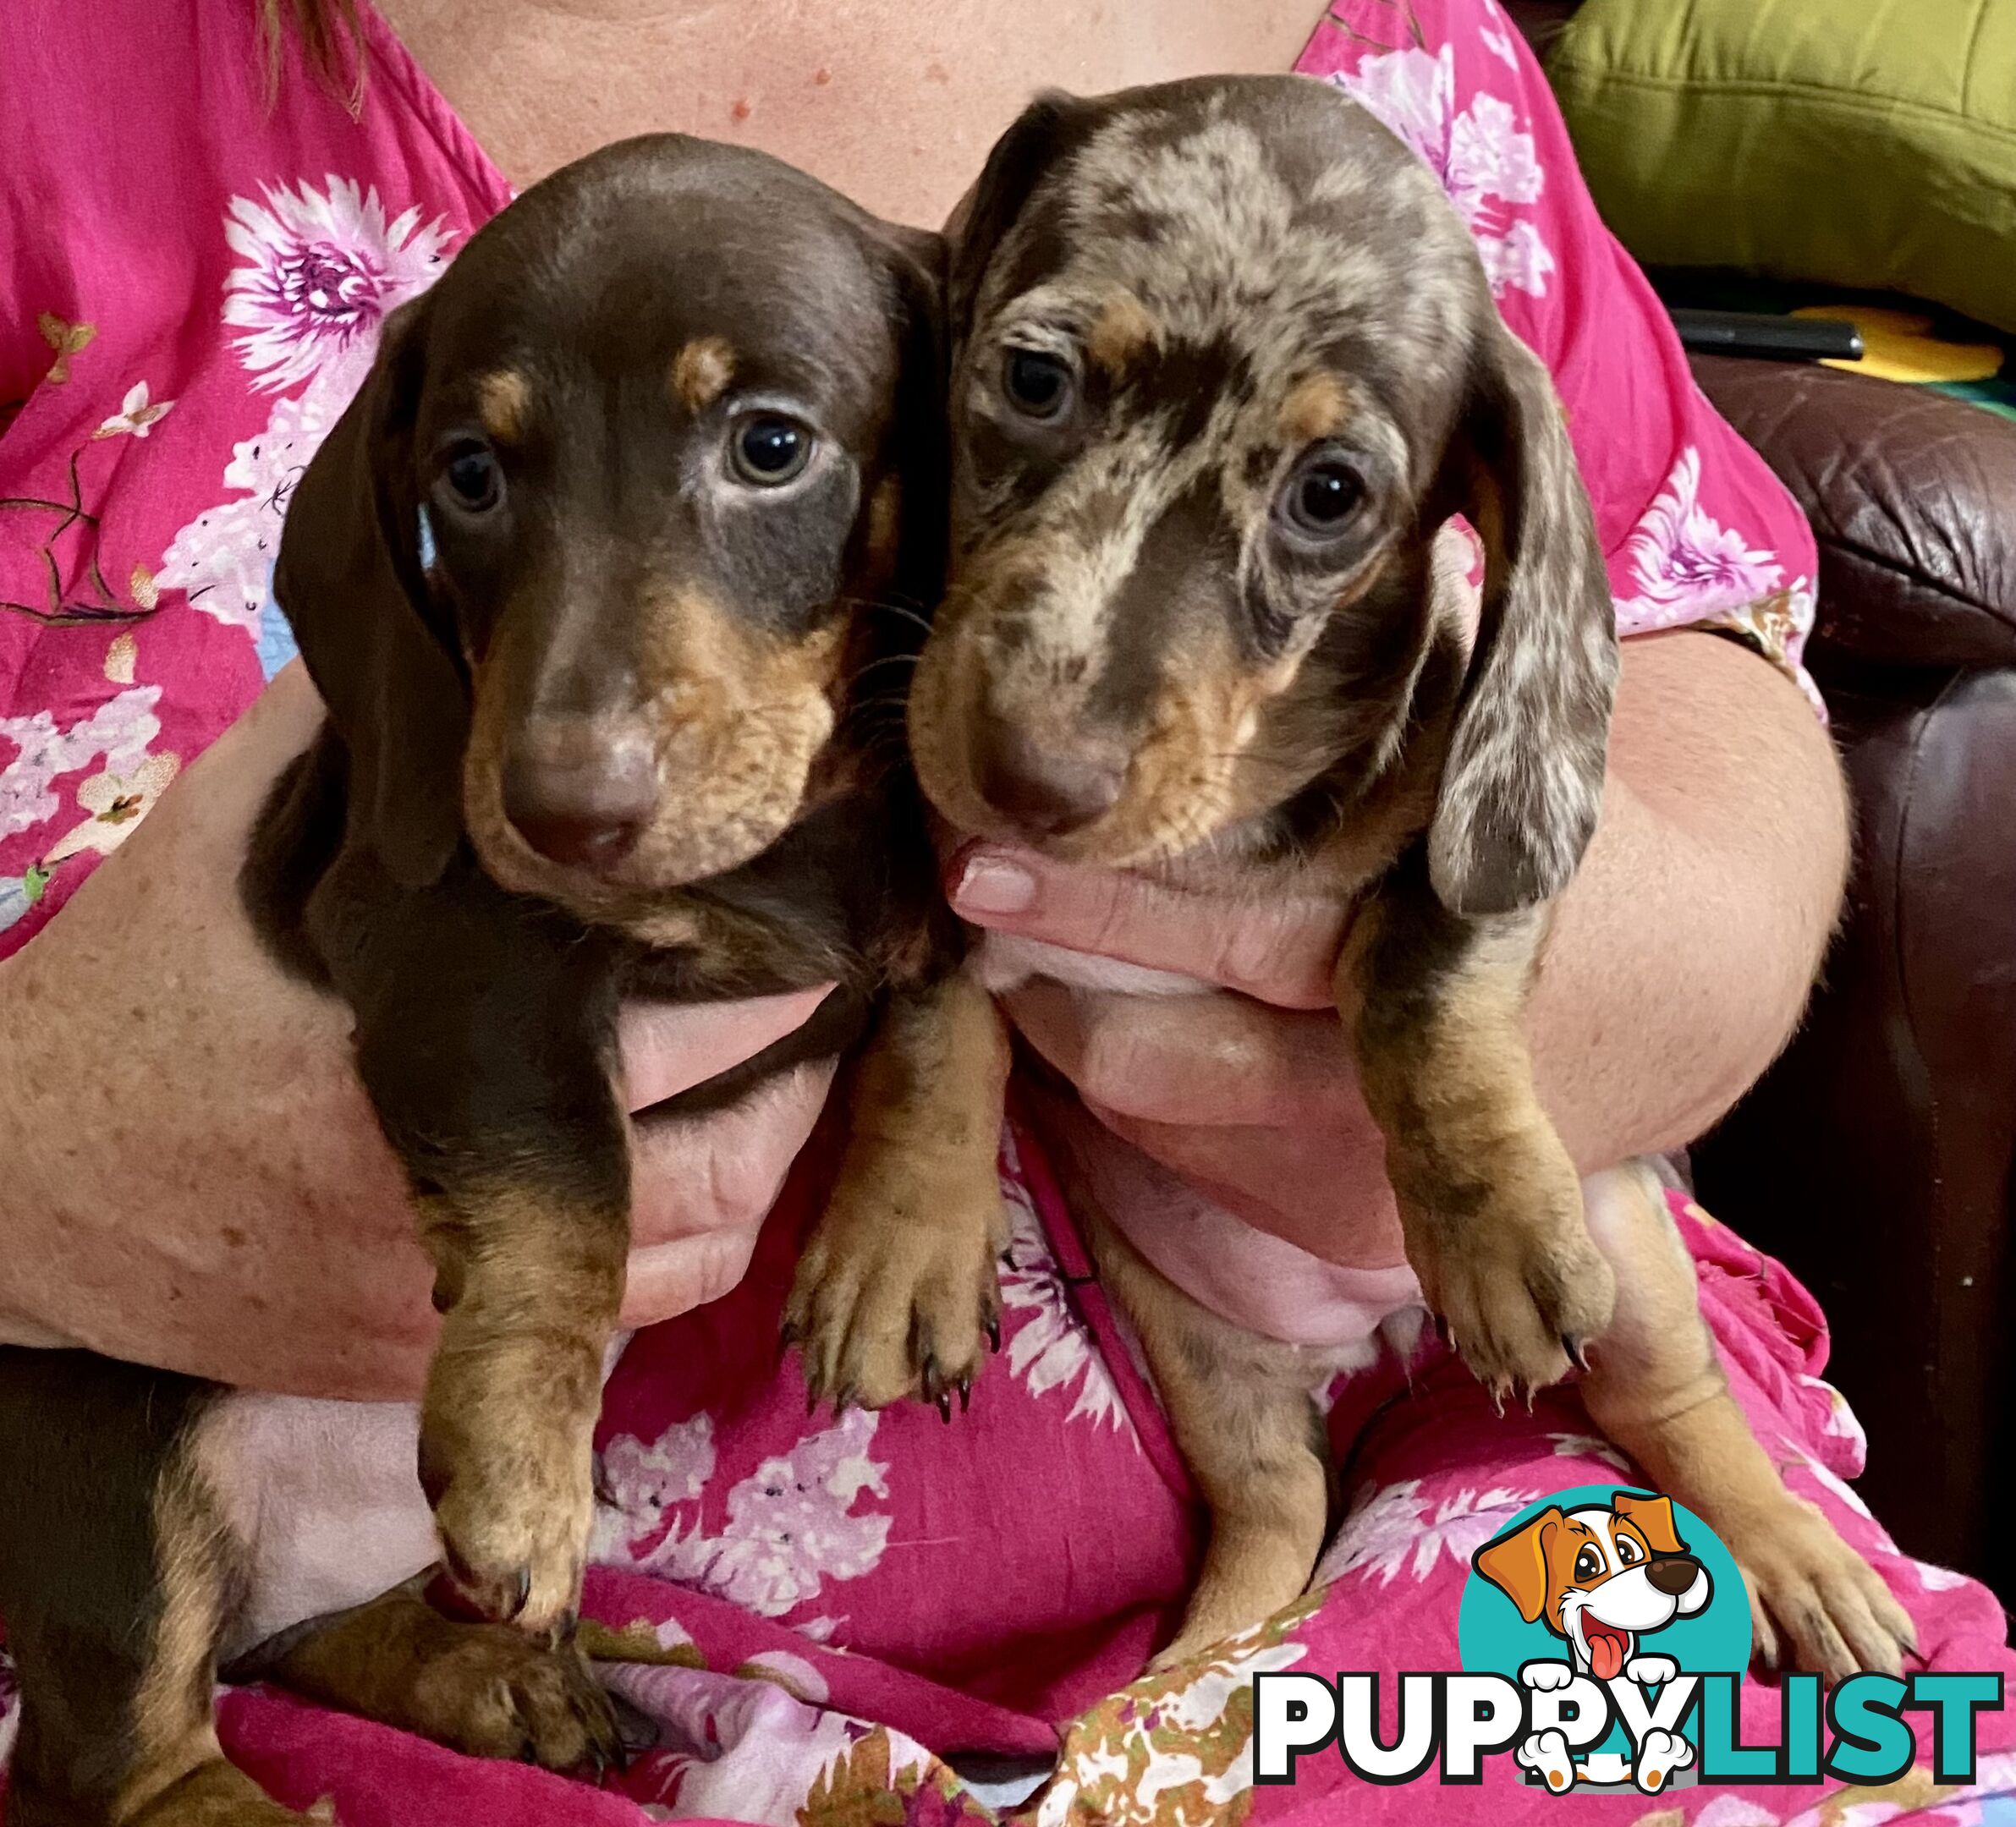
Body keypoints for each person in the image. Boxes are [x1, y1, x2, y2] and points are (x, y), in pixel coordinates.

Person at [1, 1, 2008, 1821]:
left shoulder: (1373, 78)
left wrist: (1470, 1063)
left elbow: (1693, 674)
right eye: (1028, 386)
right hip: (326, 1593)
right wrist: (31, 1168)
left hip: (1438, 1475)